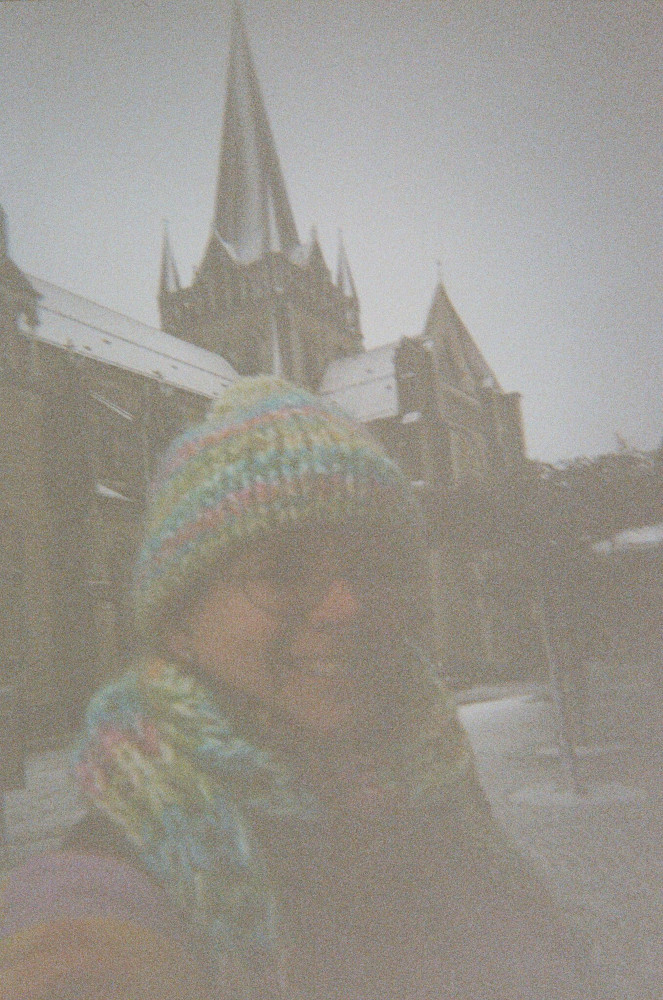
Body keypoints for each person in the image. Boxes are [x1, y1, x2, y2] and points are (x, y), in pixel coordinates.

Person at [1, 376, 611, 999]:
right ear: (179, 622)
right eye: (283, 571)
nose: (347, 605)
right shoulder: (105, 893)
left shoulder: (438, 790)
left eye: (373, 567)